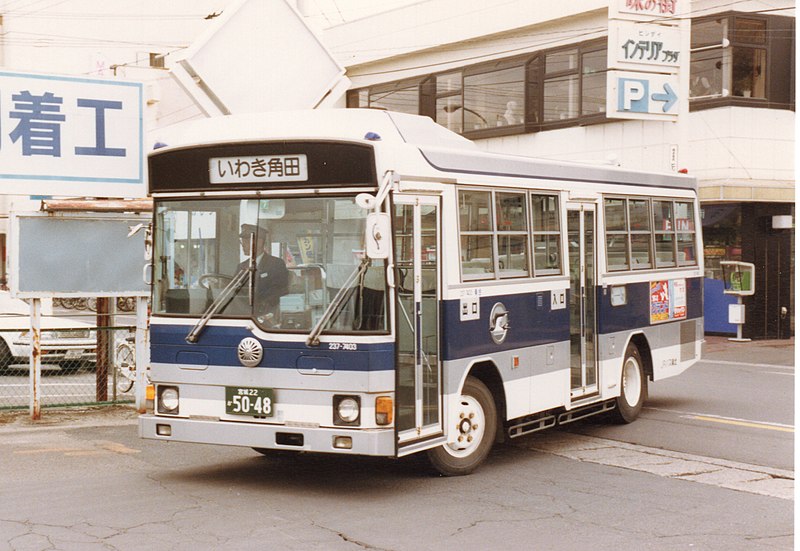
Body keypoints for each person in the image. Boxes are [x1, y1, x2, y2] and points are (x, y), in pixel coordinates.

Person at [238, 223, 289, 318]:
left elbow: (281, 290)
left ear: (259, 242)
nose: (243, 245)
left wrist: (264, 303)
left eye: (246, 241)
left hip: (268, 314)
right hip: (245, 314)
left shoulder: (276, 264)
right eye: (242, 242)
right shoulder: (242, 266)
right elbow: (236, 291)